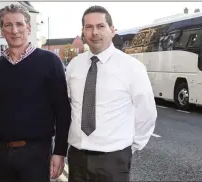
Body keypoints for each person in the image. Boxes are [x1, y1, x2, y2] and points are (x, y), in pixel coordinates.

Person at [66, 5, 158, 182]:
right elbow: (69, 106)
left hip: (113, 161)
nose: (95, 32)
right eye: (89, 27)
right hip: (77, 158)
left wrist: (129, 147)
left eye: (101, 26)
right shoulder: (73, 66)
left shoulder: (132, 68)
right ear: (83, 32)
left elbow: (146, 114)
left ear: (112, 30)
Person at [0, 4, 71, 182]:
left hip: (37, 153)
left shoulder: (50, 62)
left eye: (19, 24)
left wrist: (59, 152)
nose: (14, 30)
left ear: (28, 27)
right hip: (4, 153)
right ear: (2, 30)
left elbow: (63, 110)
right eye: (8, 25)